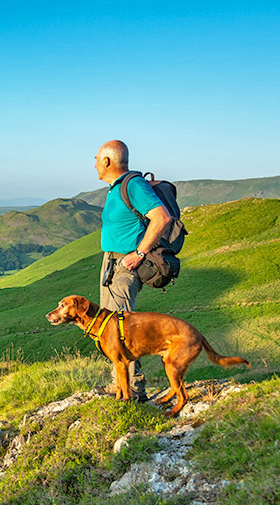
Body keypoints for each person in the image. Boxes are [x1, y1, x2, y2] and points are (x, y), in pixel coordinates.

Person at [93, 140, 172, 400]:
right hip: (112, 263)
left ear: (107, 161)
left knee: (120, 327)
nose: (94, 164)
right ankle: (120, 383)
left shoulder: (133, 185)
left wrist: (138, 255)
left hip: (125, 266)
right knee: (110, 325)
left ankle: (133, 390)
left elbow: (162, 217)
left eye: (96, 159)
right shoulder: (116, 188)